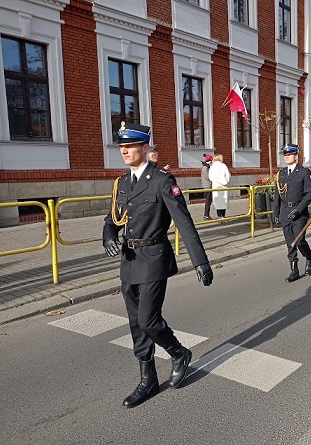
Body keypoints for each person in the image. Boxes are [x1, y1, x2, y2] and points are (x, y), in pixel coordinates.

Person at [102, 122, 213, 408]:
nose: (124, 150)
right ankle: (147, 379)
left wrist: (200, 261)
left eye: (129, 146)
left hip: (153, 259)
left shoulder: (162, 180)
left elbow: (183, 222)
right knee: (135, 325)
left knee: (148, 321)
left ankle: (178, 352)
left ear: (144, 148)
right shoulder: (121, 183)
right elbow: (111, 219)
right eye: (121, 146)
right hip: (128, 261)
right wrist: (108, 237)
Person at [272, 144, 311, 282]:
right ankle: (294, 269)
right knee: (289, 242)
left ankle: (308, 257)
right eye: (285, 155)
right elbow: (277, 194)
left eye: (289, 155)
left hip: (299, 212)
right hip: (285, 211)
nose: (287, 157)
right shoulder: (281, 174)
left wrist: (299, 209)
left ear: (296, 156)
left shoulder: (303, 172)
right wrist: (276, 213)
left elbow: (309, 193)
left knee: (300, 240)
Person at [208, 154, 231, 218]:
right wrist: (226, 181)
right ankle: (223, 216)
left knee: (217, 202)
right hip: (223, 186)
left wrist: (215, 180)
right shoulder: (223, 165)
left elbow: (210, 177)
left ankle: (219, 216)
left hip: (216, 186)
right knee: (223, 202)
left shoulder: (212, 167)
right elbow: (228, 175)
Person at [201, 154, 213, 220]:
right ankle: (206, 215)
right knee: (208, 201)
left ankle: (207, 214)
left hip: (208, 186)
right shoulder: (205, 167)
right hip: (207, 186)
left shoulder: (207, 167)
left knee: (209, 201)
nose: (212, 161)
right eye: (211, 160)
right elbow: (208, 177)